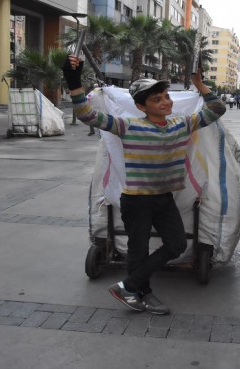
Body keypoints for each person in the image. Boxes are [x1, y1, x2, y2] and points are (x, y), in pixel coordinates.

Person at [62, 54, 226, 314]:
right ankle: (141, 293)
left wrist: (198, 83)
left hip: (164, 198)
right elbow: (87, 115)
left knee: (176, 244)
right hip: (136, 199)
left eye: (166, 97)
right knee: (137, 251)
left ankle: (128, 285)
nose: (165, 102)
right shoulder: (128, 126)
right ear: (141, 106)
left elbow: (217, 109)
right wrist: (73, 81)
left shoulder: (182, 123)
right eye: (156, 99)